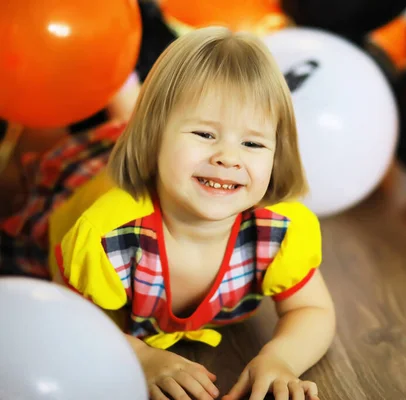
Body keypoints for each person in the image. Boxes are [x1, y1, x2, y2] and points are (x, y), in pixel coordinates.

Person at [0, 26, 336, 400]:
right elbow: (69, 323)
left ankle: (126, 92)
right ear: (154, 137)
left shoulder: (278, 231)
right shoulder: (106, 236)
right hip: (88, 184)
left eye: (253, 142)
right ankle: (96, 84)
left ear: (277, 154)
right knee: (26, 177)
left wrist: (280, 358)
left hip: (155, 163)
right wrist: (139, 355)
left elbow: (313, 309)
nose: (228, 156)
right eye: (205, 134)